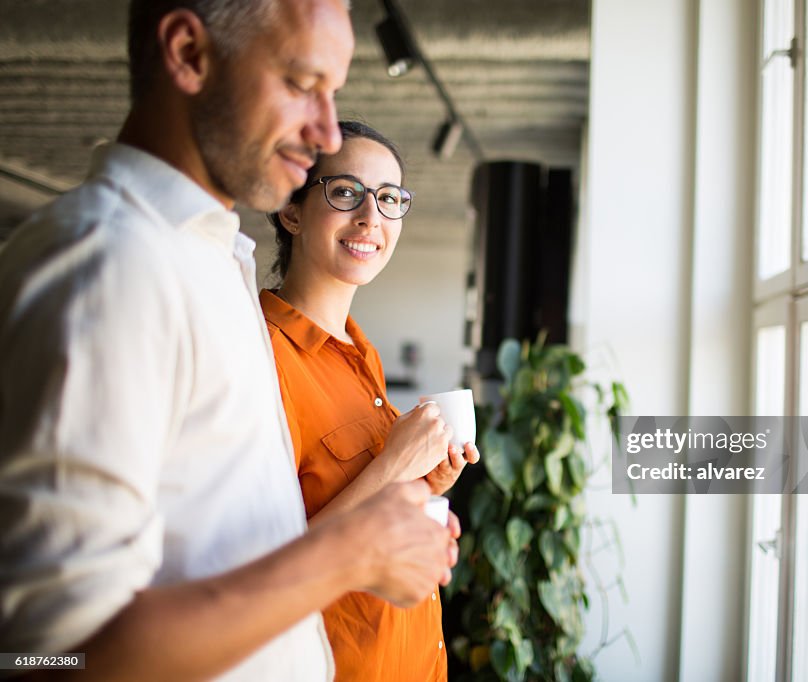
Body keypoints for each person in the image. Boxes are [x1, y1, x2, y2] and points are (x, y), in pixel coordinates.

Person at [0, 2, 458, 680]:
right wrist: (353, 552)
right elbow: (47, 657)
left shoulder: (219, 264)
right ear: (188, 53)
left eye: (333, 91)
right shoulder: (110, 266)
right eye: (303, 84)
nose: (325, 127)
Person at [262, 120, 480, 680]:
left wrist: (418, 483)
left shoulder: (363, 352)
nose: (371, 218)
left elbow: (353, 504)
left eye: (388, 199)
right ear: (292, 212)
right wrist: (394, 465)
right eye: (345, 192)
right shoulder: (259, 356)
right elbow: (262, 575)